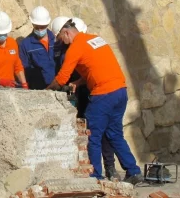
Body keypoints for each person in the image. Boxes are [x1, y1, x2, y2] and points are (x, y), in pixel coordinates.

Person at [46, 17, 143, 185]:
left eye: (61, 38)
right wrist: (79, 82)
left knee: (92, 135)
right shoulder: (95, 39)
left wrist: (46, 91)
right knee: (114, 134)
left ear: (66, 32)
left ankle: (95, 176)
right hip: (120, 91)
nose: (62, 42)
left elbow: (61, 78)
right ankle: (133, 171)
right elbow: (97, 67)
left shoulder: (75, 47)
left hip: (103, 95)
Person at [18, 6, 56, 90]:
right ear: (32, 24)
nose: (39, 30)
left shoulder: (56, 39)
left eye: (42, 27)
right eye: (36, 27)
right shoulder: (25, 44)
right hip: (39, 87)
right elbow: (24, 68)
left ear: (47, 24)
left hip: (57, 84)